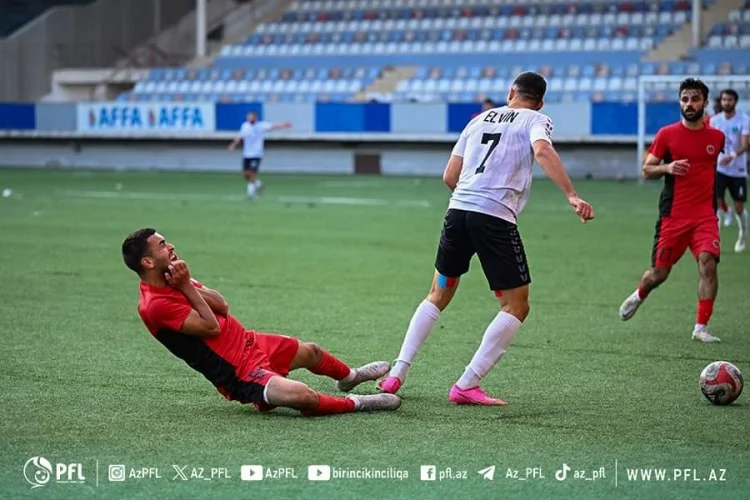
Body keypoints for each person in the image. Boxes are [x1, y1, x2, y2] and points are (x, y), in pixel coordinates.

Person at [378, 72, 595, 405]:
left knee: (437, 293)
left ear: (511, 92)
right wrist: (572, 194)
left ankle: (397, 373)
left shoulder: (478, 120)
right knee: (516, 305)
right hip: (493, 219)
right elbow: (542, 152)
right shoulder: (537, 119)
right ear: (540, 101)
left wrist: (470, 201)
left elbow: (449, 176)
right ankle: (466, 384)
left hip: (458, 213)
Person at [121, 228, 400, 416]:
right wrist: (186, 287)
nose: (170, 246)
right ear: (147, 262)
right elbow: (212, 327)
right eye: (162, 245)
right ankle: (359, 403)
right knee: (304, 396)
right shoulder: (154, 305)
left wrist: (186, 285)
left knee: (311, 351)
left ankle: (349, 378)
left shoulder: (175, 275)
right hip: (237, 374)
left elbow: (222, 306)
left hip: (249, 342)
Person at [618, 78, 726, 343]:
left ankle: (700, 327)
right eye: (685, 99)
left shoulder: (717, 137)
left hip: (704, 216)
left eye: (695, 99)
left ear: (705, 102)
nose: (689, 104)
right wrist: (667, 167)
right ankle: (639, 294)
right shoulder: (667, 134)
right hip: (673, 216)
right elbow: (647, 170)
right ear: (680, 102)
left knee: (708, 262)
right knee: (659, 274)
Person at [710, 89, 750, 252]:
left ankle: (742, 233)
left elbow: (746, 144)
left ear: (735, 101)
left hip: (738, 170)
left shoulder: (744, 120)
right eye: (724, 99)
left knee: (738, 207)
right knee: (717, 203)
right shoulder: (715, 120)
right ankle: (714, 239)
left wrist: (732, 156)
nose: (726, 102)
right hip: (719, 169)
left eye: (730, 100)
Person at [228, 112, 292, 199]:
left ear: (255, 117)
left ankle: (250, 194)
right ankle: (259, 185)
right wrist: (233, 145)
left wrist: (284, 125)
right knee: (245, 175)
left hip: (257, 154)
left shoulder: (261, 125)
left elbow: (273, 126)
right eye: (248, 117)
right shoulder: (245, 126)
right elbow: (240, 136)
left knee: (252, 173)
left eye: (251, 117)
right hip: (247, 154)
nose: (249, 118)